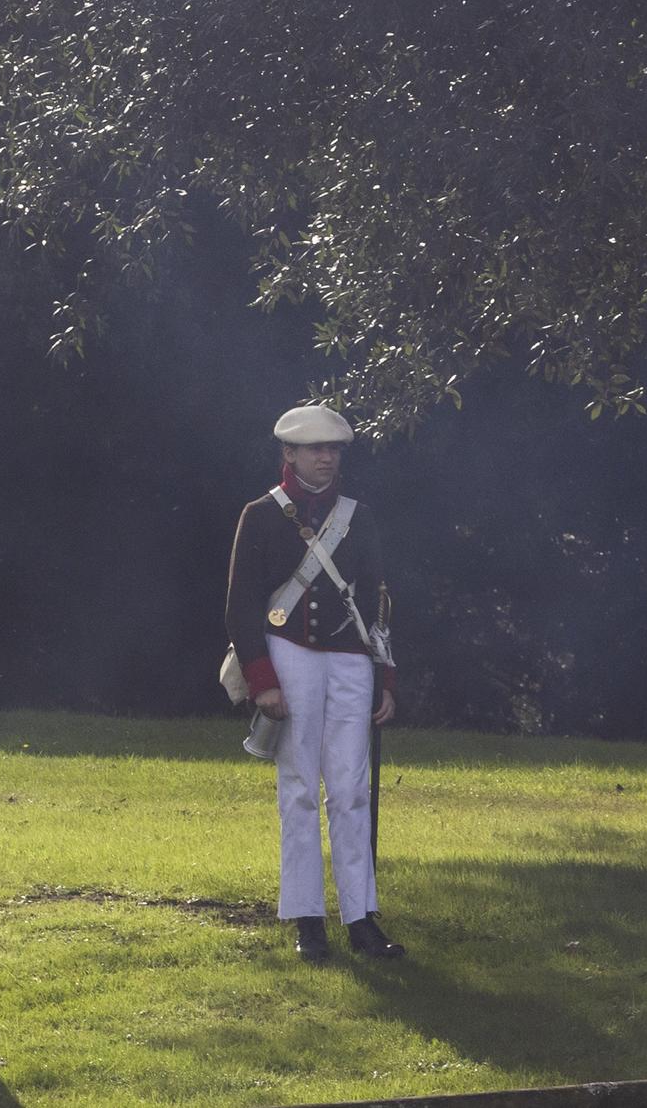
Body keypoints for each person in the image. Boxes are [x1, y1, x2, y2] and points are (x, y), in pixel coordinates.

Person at [225, 406, 405, 961]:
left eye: (334, 449)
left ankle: (361, 918)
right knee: (300, 788)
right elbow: (240, 606)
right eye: (314, 449)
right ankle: (307, 918)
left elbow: (376, 599)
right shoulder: (260, 515)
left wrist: (385, 679)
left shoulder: (360, 516)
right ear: (289, 454)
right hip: (290, 655)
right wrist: (263, 680)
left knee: (351, 791)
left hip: (350, 660)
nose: (326, 457)